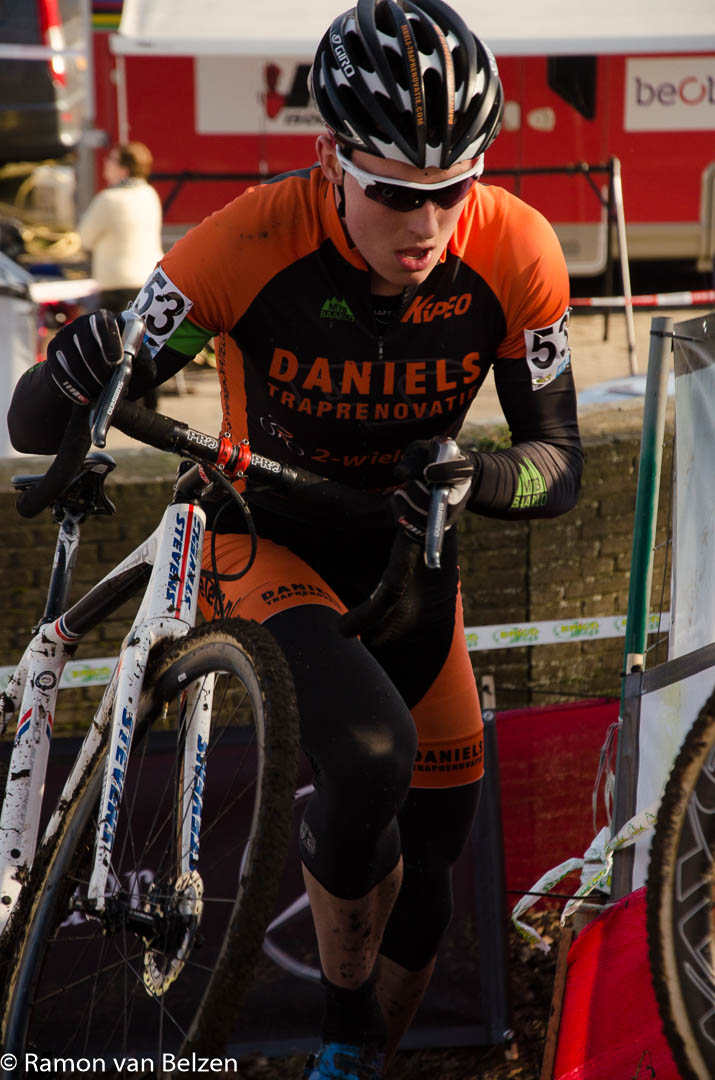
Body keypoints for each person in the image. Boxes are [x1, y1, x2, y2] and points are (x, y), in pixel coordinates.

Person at [7, 1, 583, 1076]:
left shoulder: (516, 247)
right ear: (330, 161)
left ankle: (362, 1060)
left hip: (410, 554)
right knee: (369, 755)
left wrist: (483, 475)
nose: (427, 225)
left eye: (453, 189)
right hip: (266, 536)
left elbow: (557, 461)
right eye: (394, 194)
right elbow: (39, 426)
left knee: (436, 851)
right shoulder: (248, 240)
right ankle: (341, 1030)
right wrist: (67, 370)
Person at [77, 140, 163, 407]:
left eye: (111, 160)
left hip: (116, 283)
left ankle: (118, 407)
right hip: (148, 281)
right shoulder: (149, 194)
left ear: (123, 168)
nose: (106, 164)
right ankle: (151, 406)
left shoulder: (108, 199)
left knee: (115, 353)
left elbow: (85, 237)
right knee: (145, 349)